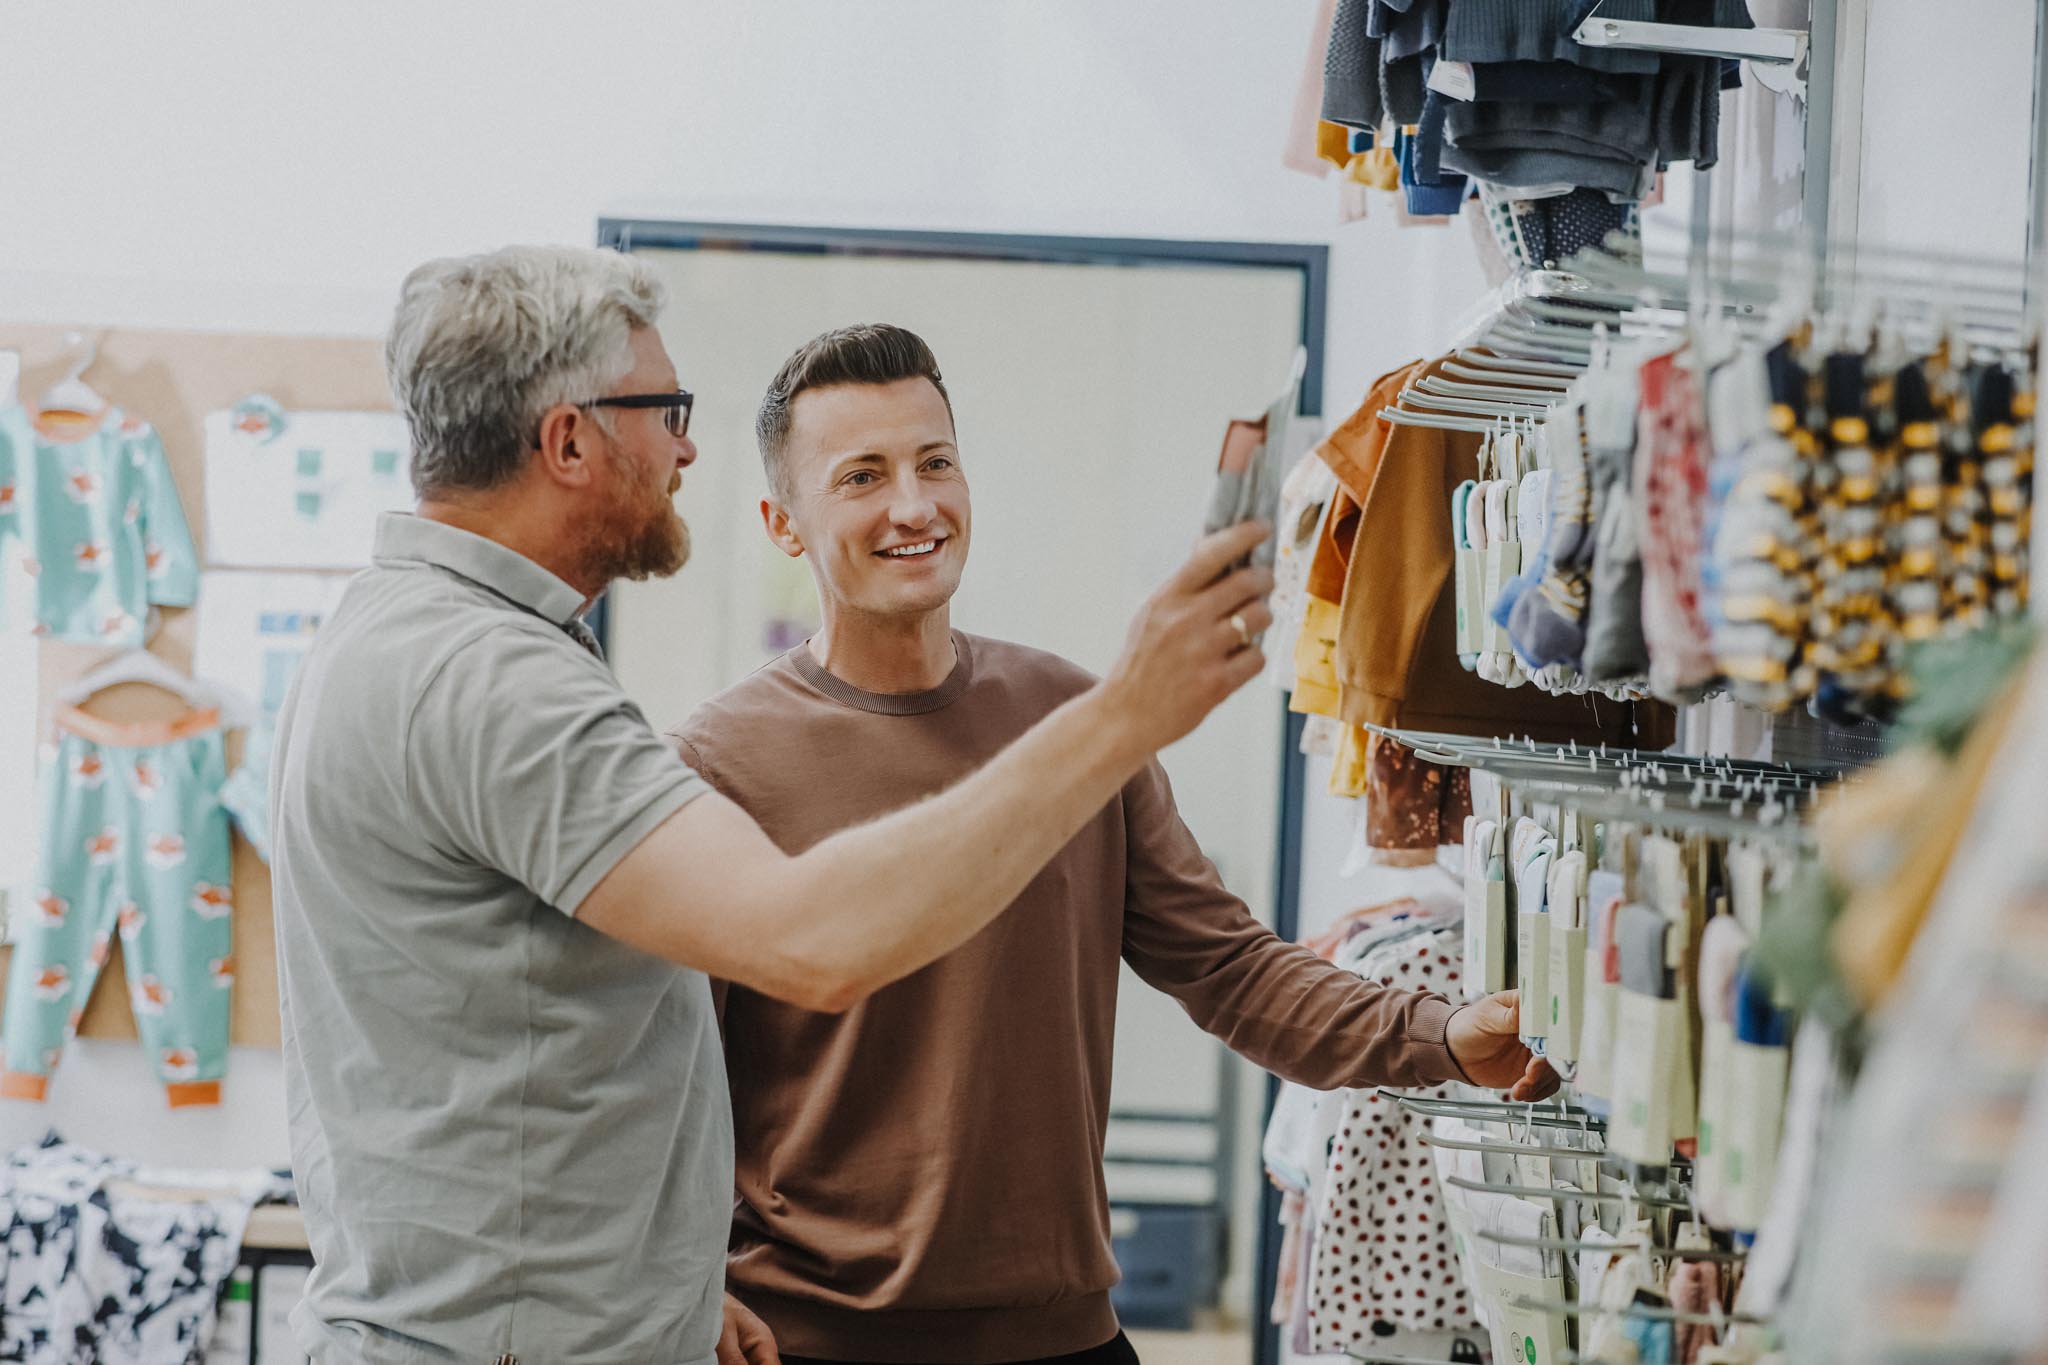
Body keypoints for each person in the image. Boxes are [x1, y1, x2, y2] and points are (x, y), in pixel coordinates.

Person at [268, 248, 1278, 1365]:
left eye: (936, 461)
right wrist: (1123, 715)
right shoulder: (496, 685)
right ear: (566, 441)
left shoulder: (418, 636)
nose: (684, 444)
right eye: (662, 410)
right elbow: (810, 942)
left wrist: (675, 1281)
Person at [669, 324, 1559, 1365]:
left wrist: (1444, 1036)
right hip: (800, 1343)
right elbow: (665, 1078)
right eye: (861, 476)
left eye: (934, 463)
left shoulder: (1073, 716)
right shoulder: (717, 763)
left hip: (1063, 1343)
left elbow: (1229, 970)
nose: (912, 506)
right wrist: (684, 1283)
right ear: (783, 523)